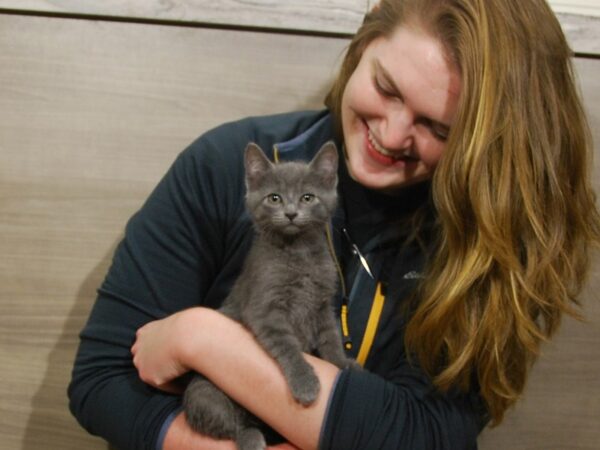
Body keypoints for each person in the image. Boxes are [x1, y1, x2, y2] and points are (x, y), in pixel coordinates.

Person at [68, 0, 600, 449]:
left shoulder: (490, 240)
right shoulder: (225, 164)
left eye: (436, 127)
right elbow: (101, 382)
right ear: (363, 45)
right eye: (387, 89)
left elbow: (426, 435)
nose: (392, 136)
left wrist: (202, 336)